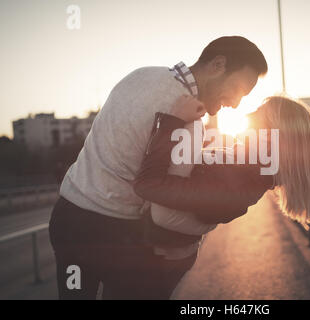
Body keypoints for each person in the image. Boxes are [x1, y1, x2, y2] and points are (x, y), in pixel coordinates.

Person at [48, 36, 268, 299]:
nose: (235, 103)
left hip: (68, 218)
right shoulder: (187, 118)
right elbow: (164, 200)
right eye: (238, 90)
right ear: (218, 65)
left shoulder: (140, 75)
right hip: (114, 234)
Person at [132, 94, 310, 284]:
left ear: (271, 134)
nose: (247, 116)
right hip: (159, 248)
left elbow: (149, 185)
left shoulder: (242, 179)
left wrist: (172, 121)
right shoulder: (245, 168)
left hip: (157, 256)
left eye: (258, 112)